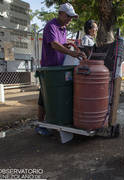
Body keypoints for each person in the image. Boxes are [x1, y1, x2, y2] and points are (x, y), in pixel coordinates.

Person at [37, 3, 86, 134]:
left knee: (56, 96)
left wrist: (68, 44)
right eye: (68, 16)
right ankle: (40, 124)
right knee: (45, 97)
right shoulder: (51, 26)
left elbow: (60, 44)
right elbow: (54, 44)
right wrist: (72, 53)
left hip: (60, 67)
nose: (70, 19)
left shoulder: (63, 28)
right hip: (49, 68)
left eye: (72, 17)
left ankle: (55, 121)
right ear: (60, 14)